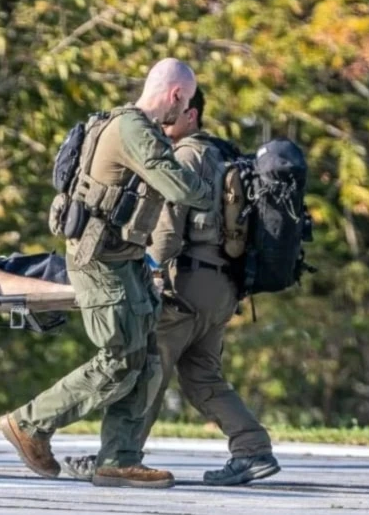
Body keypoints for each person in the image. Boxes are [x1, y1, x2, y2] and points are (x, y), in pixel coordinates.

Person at [0, 58, 214, 488]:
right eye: (185, 102)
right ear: (175, 95)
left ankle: (118, 458)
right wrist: (208, 187)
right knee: (118, 358)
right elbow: (181, 188)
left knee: (145, 353)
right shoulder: (133, 130)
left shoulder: (123, 124)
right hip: (100, 262)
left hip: (124, 258)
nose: (184, 113)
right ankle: (30, 423)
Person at [63, 88, 280, 486]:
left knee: (147, 365)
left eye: (174, 115)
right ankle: (253, 450)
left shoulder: (186, 156)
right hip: (223, 288)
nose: (164, 122)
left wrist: (147, 270)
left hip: (188, 284)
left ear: (191, 116)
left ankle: (117, 457)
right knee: (202, 377)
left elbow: (165, 232)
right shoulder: (223, 153)